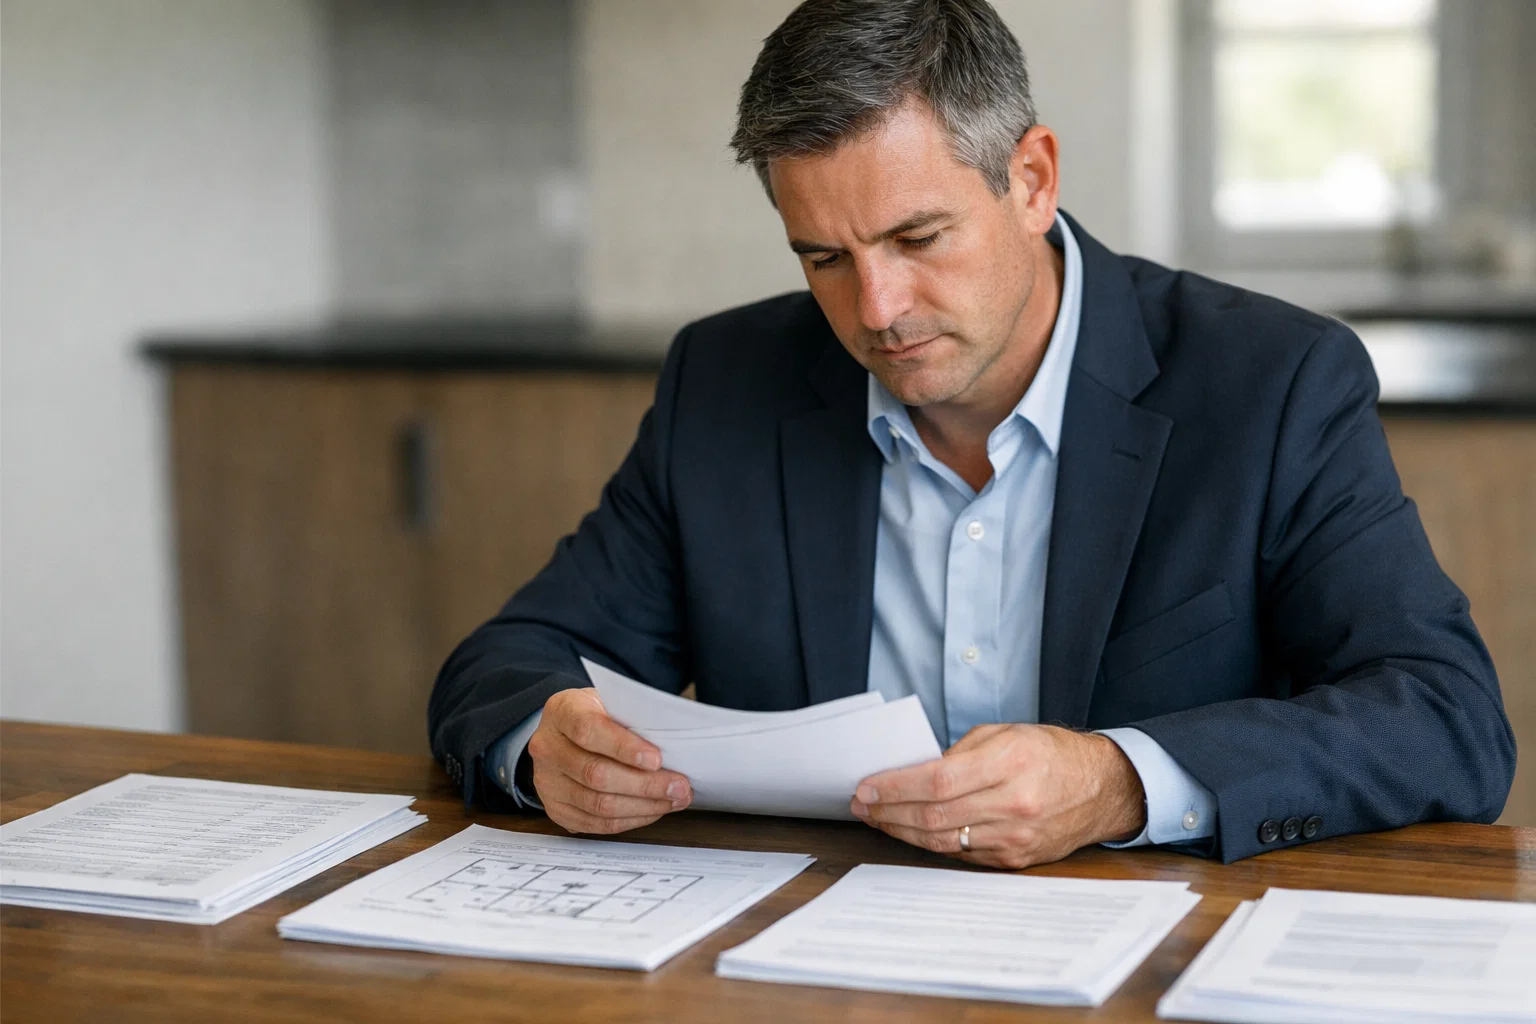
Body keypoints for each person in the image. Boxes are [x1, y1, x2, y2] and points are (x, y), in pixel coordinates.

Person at [428, 0, 1514, 868]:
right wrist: (546, 742)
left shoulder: (1271, 383)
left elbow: (1444, 717)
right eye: (824, 258)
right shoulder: (727, 384)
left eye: (918, 237)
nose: (878, 309)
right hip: (810, 965)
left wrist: (1119, 782)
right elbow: (508, 663)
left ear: (1031, 180)